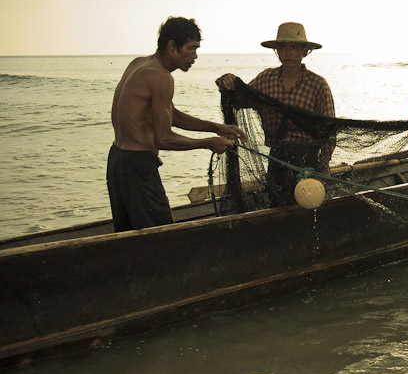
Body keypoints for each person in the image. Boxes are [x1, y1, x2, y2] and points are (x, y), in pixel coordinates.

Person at [107, 16, 246, 232]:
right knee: (162, 237)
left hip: (117, 161)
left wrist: (216, 128)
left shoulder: (139, 64)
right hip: (138, 166)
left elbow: (171, 114)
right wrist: (207, 143)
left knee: (127, 236)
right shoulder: (162, 77)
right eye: (190, 49)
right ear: (172, 46)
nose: (195, 56)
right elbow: (163, 138)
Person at [216, 22, 335, 207]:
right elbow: (240, 99)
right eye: (283, 48)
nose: (288, 53)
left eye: (294, 48)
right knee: (277, 207)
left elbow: (329, 131)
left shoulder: (318, 85)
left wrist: (324, 166)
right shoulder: (266, 79)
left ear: (304, 52)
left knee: (307, 209)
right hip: (277, 159)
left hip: (307, 161)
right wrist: (228, 81)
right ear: (277, 51)